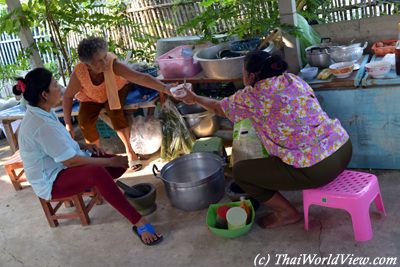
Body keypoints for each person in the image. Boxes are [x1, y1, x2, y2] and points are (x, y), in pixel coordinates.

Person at [174, 51, 352, 229]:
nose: (242, 75)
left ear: (251, 75)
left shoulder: (252, 96)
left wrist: (194, 98)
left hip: (318, 170)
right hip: (343, 148)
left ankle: (287, 213)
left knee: (241, 172)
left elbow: (219, 108)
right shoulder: (292, 79)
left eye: (243, 72)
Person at [17, 68, 162, 245]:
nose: (60, 88)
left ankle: (105, 189)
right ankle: (139, 222)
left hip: (61, 165)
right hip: (51, 180)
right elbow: (70, 161)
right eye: (55, 85)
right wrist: (106, 161)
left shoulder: (44, 111)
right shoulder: (39, 124)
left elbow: (62, 143)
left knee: (117, 165)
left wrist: (86, 146)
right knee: (98, 171)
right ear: (44, 94)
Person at [63, 37, 172, 171]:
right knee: (84, 121)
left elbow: (141, 77)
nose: (104, 62)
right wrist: (68, 124)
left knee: (115, 112)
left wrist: (166, 88)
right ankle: (97, 156)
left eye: (104, 57)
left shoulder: (112, 64)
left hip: (117, 89)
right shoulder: (79, 72)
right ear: (87, 65)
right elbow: (67, 97)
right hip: (91, 97)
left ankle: (130, 151)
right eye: (98, 61)